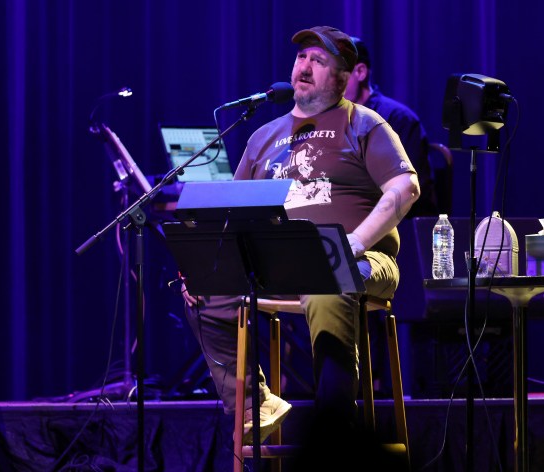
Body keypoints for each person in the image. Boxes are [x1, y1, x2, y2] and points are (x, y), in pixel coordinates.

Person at [181, 26, 420, 445]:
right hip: (281, 259)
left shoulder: (363, 123)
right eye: (301, 58)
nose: (304, 67)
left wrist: (355, 242)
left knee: (326, 280)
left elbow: (406, 188)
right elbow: (233, 215)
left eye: (319, 60)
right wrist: (209, 266)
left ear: (343, 77)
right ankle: (255, 403)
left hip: (362, 257)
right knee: (203, 291)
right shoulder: (262, 137)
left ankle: (334, 435)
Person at [344, 36, 437, 217]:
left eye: (337, 73)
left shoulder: (398, 119)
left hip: (395, 223)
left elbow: (411, 190)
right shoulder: (330, 120)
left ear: (360, 72)